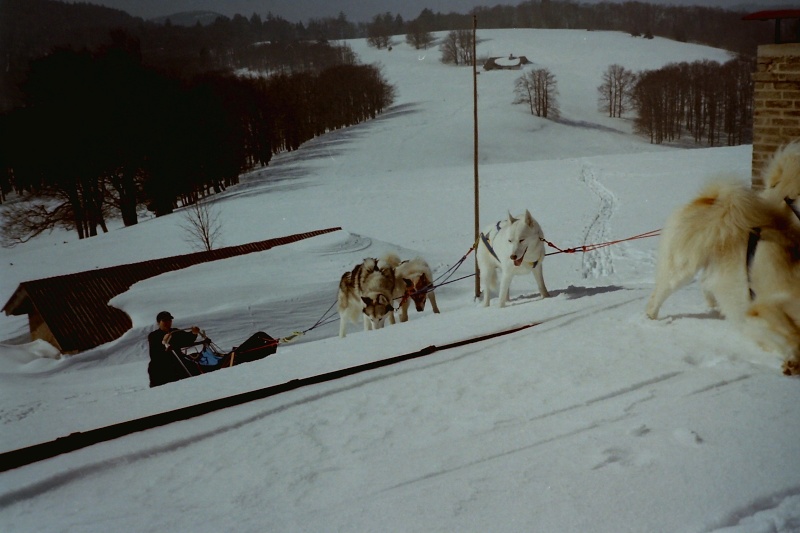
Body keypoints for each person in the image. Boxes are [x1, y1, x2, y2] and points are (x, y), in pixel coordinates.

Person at [147, 311, 201, 388]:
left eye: (169, 320)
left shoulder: (175, 332)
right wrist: (164, 342)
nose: (167, 322)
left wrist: (193, 333)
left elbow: (187, 339)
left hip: (177, 361)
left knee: (194, 367)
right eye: (164, 320)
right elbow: (156, 351)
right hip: (161, 365)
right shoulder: (154, 336)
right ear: (159, 322)